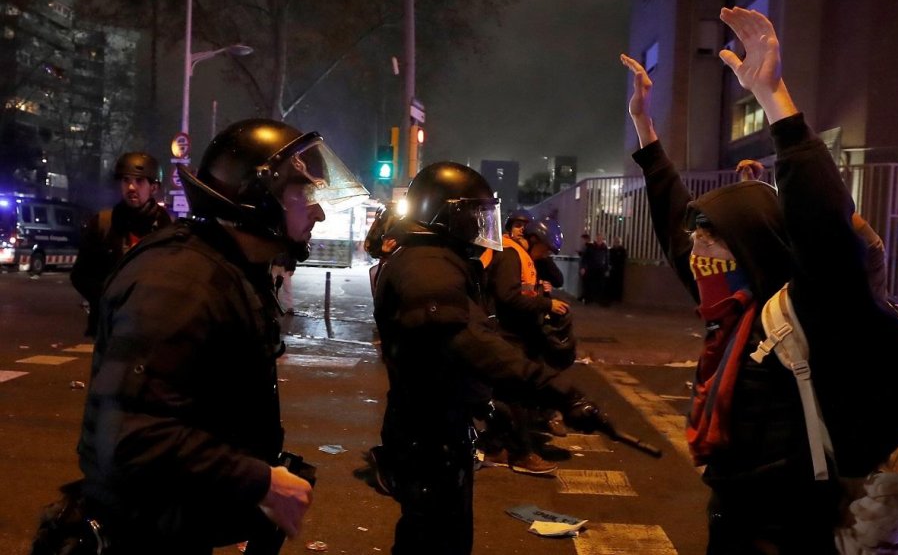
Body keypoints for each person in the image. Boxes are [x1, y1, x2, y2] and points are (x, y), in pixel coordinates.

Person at [622, 7, 898, 553]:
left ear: (750, 243)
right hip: (734, 512)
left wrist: (776, 102)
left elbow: (823, 221)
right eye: (697, 241)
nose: (697, 254)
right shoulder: (733, 310)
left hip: (794, 527)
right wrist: (645, 132)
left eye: (712, 239)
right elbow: (673, 220)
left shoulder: (810, 306)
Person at [66, 119, 368, 554]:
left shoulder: (222, 267)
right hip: (143, 534)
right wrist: (260, 480)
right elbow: (132, 437)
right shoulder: (181, 281)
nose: (318, 211)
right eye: (303, 195)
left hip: (174, 525)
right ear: (259, 199)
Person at [373, 161, 607, 555]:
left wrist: (482, 403)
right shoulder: (426, 265)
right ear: (446, 214)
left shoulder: (435, 258)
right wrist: (557, 391)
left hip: (432, 424)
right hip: (427, 433)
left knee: (434, 532)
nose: (481, 228)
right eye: (473, 216)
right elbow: (466, 340)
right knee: (433, 537)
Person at [481, 215, 570, 474]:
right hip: (504, 335)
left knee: (507, 396)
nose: (547, 255)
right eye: (546, 249)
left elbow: (521, 292)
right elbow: (507, 296)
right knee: (516, 396)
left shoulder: (520, 255)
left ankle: (496, 448)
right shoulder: (511, 255)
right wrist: (546, 304)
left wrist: (541, 298)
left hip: (513, 334)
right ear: (534, 239)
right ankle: (522, 454)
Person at [70, 152, 172, 337]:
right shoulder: (103, 223)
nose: (131, 187)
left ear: (153, 187)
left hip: (154, 330)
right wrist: (108, 298)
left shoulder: (168, 230)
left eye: (139, 181)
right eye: (126, 180)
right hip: (110, 329)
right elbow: (80, 275)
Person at [579, 232, 609, 304]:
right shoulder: (590, 247)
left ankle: (599, 299)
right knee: (589, 284)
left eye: (601, 238)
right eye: (598, 238)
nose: (599, 239)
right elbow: (585, 258)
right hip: (591, 268)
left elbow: (607, 259)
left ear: (602, 239)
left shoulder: (605, 248)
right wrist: (583, 267)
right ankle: (589, 299)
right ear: (596, 238)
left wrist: (607, 269)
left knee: (600, 285)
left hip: (600, 269)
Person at [608, 235, 627, 303]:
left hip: (619, 270)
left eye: (618, 241)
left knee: (619, 284)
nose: (617, 243)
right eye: (615, 241)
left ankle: (618, 299)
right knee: (611, 284)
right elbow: (609, 259)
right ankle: (611, 298)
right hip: (612, 270)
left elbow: (623, 260)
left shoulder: (623, 250)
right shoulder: (611, 250)